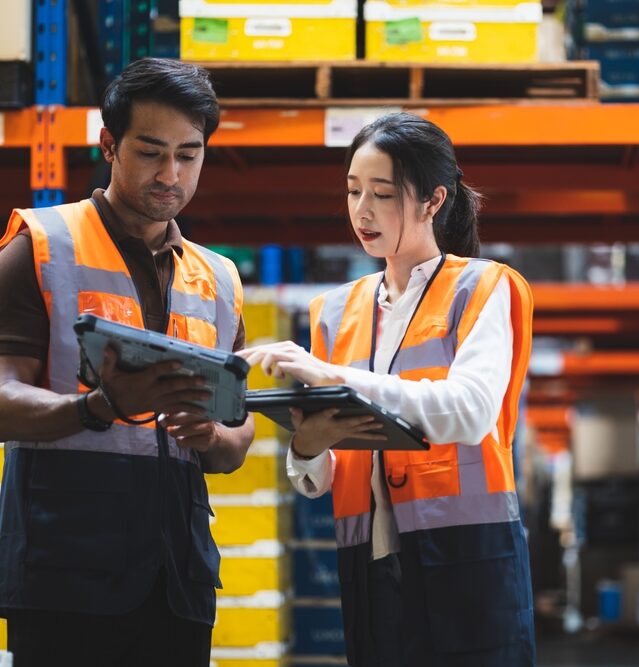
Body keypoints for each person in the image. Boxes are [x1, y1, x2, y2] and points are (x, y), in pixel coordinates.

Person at [239, 112, 535, 666]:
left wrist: (333, 376)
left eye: (382, 193)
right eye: (353, 191)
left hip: (467, 555)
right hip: (370, 569)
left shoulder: (483, 287)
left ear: (432, 201)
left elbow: (469, 413)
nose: (362, 211)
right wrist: (306, 447)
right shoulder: (333, 311)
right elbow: (319, 477)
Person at [0, 58, 255, 667]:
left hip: (179, 581)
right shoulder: (37, 245)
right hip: (63, 576)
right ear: (109, 145)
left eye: (189, 155)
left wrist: (217, 435)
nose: (171, 174)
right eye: (151, 152)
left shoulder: (219, 278)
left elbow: (238, 432)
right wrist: (100, 406)